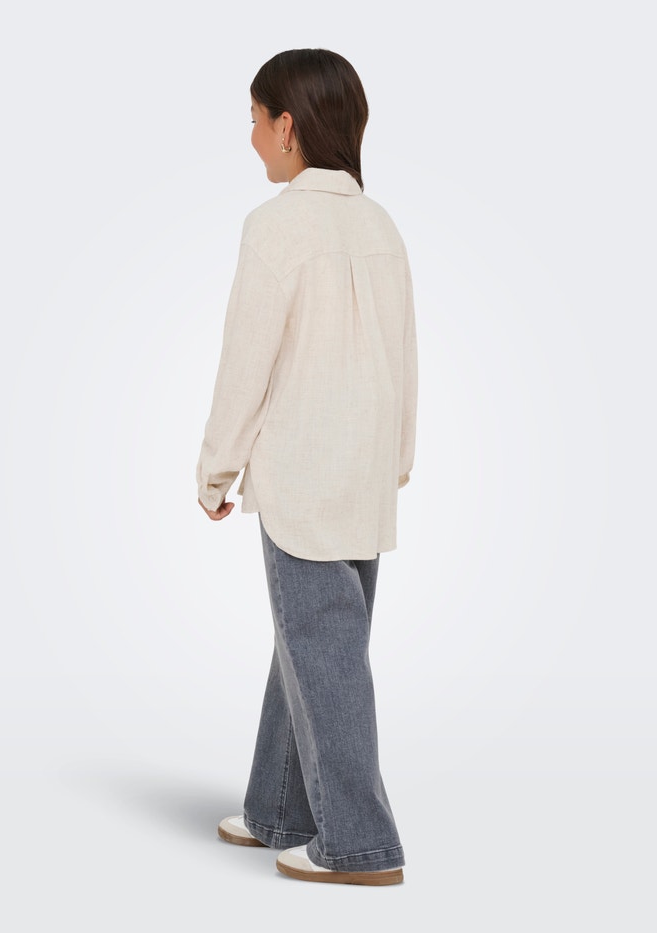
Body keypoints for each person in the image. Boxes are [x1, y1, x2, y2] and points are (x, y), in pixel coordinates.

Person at [196, 48, 417, 886]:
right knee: (314, 640)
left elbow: (244, 362)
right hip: (362, 476)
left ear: (287, 126)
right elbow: (406, 359)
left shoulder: (277, 226)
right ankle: (278, 809)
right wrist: (397, 460)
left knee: (323, 648)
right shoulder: (381, 224)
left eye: (256, 119)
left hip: (303, 472)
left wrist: (215, 470)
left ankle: (360, 842)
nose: (252, 137)